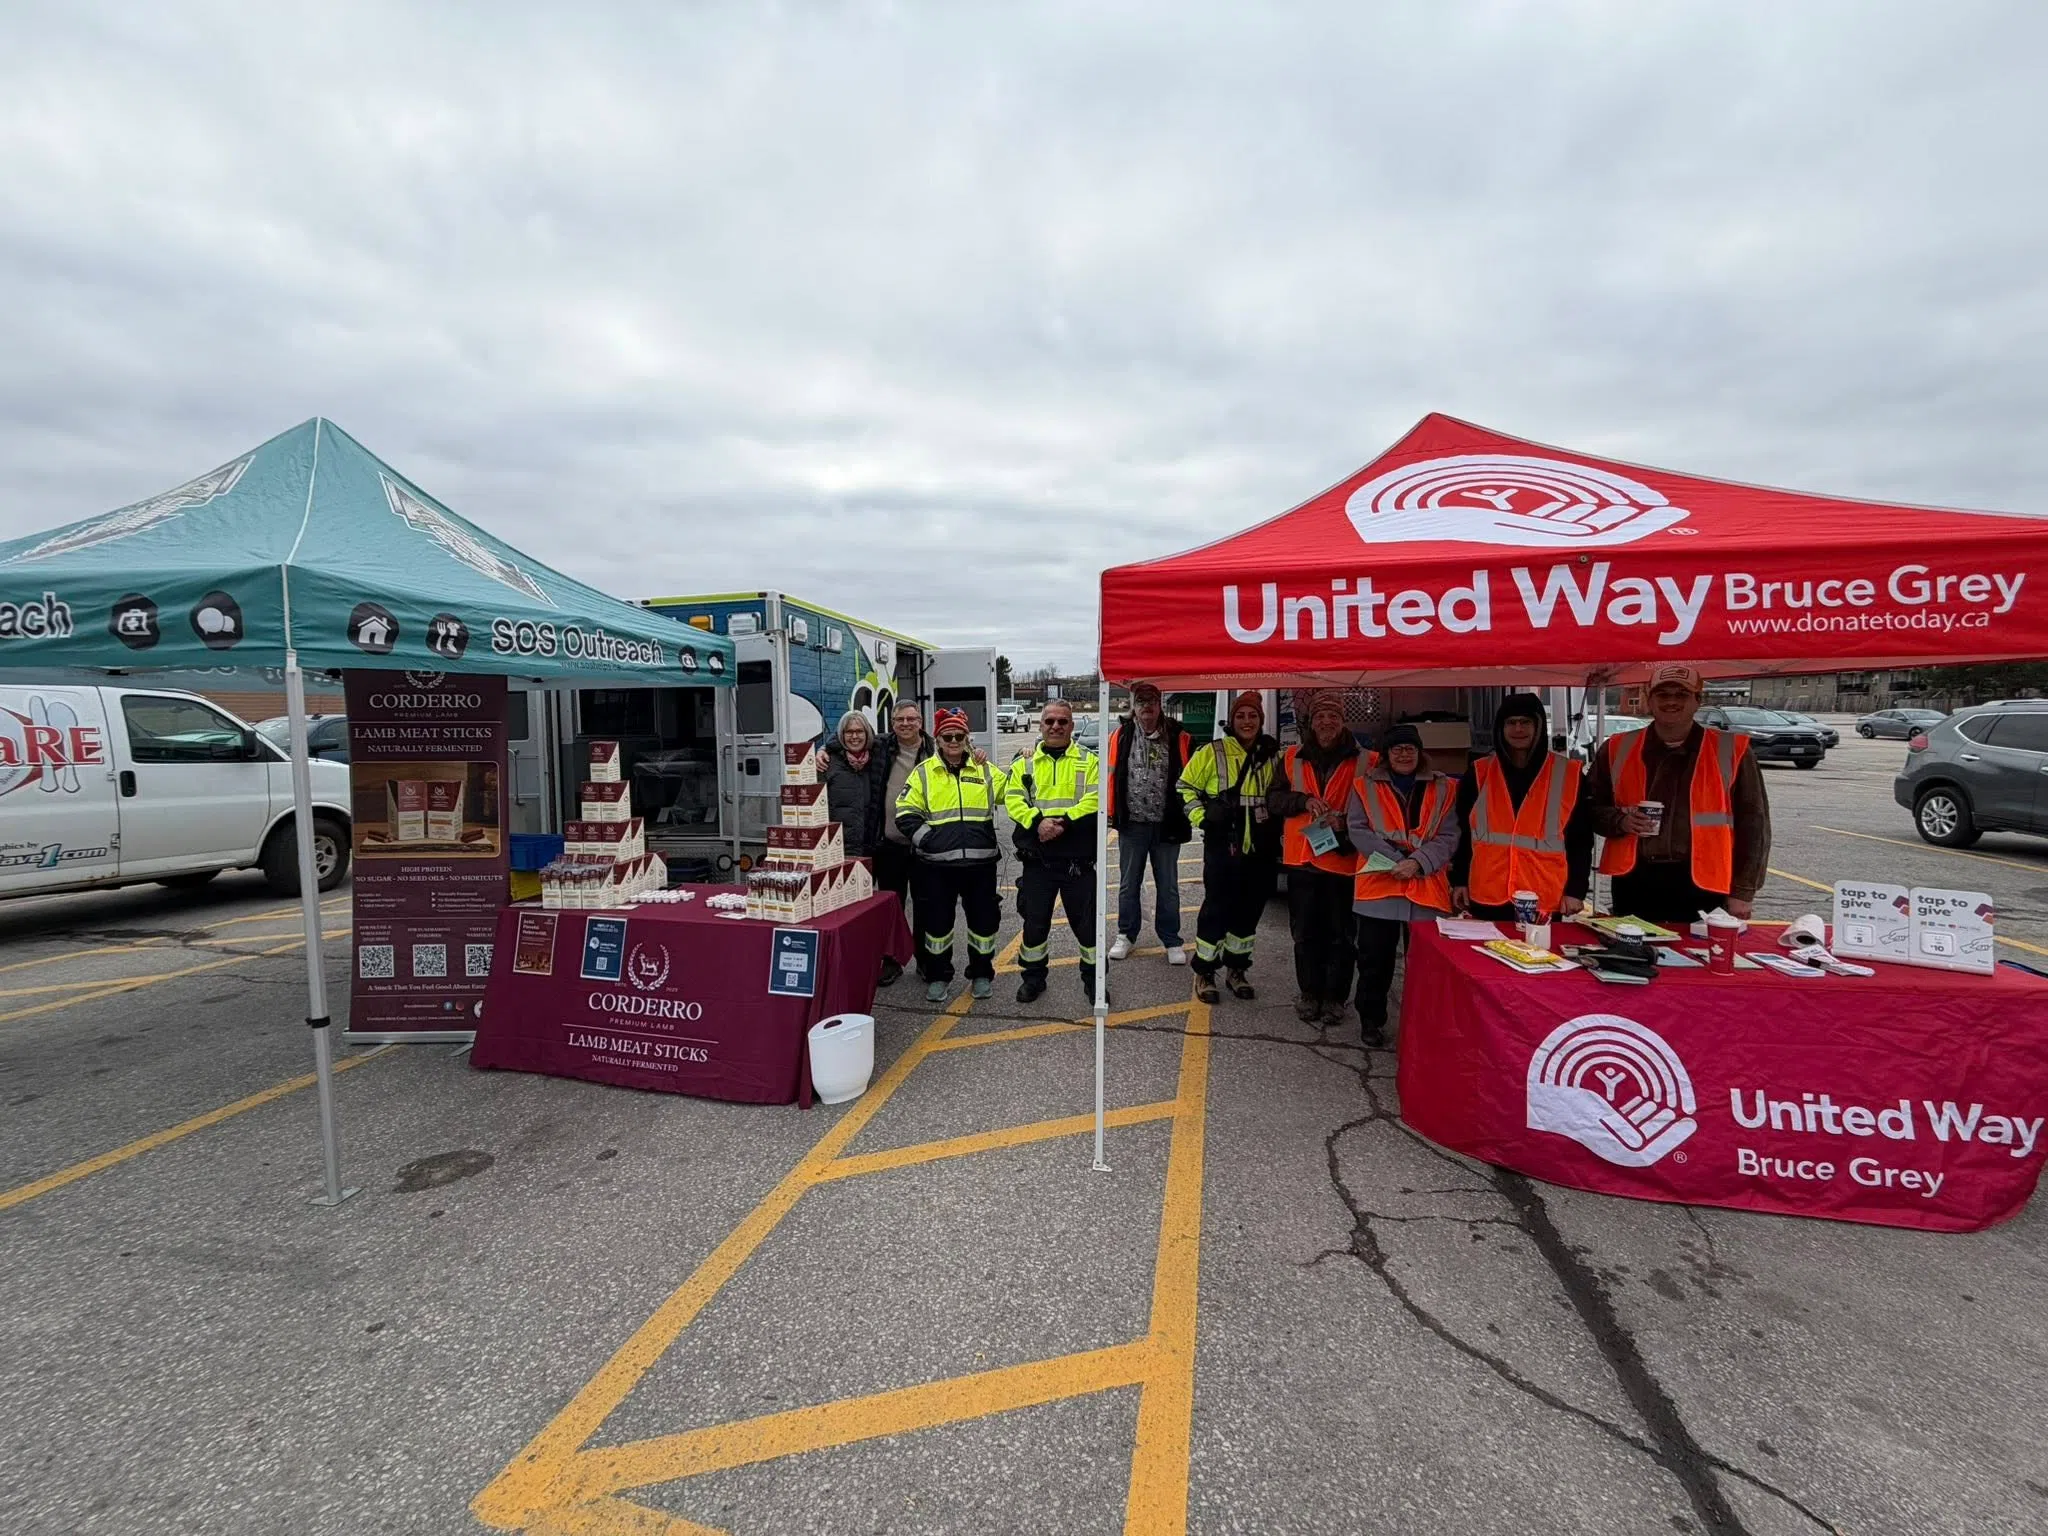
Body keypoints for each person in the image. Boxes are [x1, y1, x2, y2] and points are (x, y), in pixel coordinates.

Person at [1586, 663, 1771, 923]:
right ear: (1649, 699)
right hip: (1635, 880)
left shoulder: (1731, 750)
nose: (1671, 701)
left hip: (1704, 882)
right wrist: (1620, 821)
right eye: (1662, 694)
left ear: (1698, 701)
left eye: (1681, 694)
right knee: (1633, 947)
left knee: (1701, 949)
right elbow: (1588, 808)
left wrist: (1743, 890)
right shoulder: (1617, 747)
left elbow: (1754, 826)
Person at [1345, 724, 1458, 1047]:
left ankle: (1422, 1023)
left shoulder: (1446, 787)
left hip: (1425, 887)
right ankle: (1371, 1020)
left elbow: (1451, 835)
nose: (1404, 754)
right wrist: (1397, 861)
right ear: (1386, 754)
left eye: (1410, 748)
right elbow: (1358, 829)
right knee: (1373, 963)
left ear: (1420, 752)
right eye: (1397, 749)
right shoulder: (1363, 786)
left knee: (1425, 966)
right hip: (1379, 886)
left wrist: (1418, 862)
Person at [1267, 691, 1373, 1024]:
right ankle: (1310, 994)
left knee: (1342, 937)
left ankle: (1335, 999)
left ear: (1343, 721)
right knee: (1304, 935)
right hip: (1303, 861)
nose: (1327, 722)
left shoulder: (1368, 760)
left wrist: (1347, 822)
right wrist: (1303, 801)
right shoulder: (1291, 757)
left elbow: (1380, 808)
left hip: (1343, 861)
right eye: (1320, 717)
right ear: (1311, 723)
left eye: (1333, 716)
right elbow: (1274, 800)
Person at [1450, 693, 1594, 922]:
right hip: (1487, 892)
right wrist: (1459, 880)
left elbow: (1581, 840)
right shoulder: (1479, 773)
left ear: (1538, 725)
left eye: (1525, 722)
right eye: (1511, 722)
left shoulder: (1569, 774)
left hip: (1542, 895)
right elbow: (1463, 832)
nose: (1518, 729)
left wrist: (1576, 890)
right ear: (1501, 727)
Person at [895, 708, 1007, 1002]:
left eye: (959, 736)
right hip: (937, 867)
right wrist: (928, 841)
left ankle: (981, 974)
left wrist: (1026, 759)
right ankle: (938, 976)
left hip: (980, 864)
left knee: (983, 925)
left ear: (967, 738)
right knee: (937, 926)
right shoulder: (923, 773)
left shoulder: (984, 770)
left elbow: (1014, 791)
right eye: (948, 736)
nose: (954, 741)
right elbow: (904, 812)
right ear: (938, 740)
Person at [1178, 691, 1282, 1004]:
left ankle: (1237, 969)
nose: (1247, 722)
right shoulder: (1213, 751)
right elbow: (1184, 788)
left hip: (1261, 842)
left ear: (1261, 720)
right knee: (1217, 907)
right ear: (1232, 720)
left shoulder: (1272, 753)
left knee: (1250, 909)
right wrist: (1202, 818)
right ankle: (1205, 971)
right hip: (1224, 840)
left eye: (1253, 716)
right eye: (1241, 716)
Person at [1004, 700, 1103, 1004]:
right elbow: (1013, 799)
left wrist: (1065, 823)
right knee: (1034, 926)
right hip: (1038, 863)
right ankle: (1033, 979)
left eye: (1063, 721)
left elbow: (1096, 797)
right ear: (1040, 725)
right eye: (1050, 721)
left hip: (1078, 863)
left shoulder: (1090, 761)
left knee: (1088, 928)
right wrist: (1038, 823)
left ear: (1072, 726)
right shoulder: (1024, 764)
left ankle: (1095, 981)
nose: (1056, 726)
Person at [1105, 683, 1192, 966]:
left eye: (1152, 701)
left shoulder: (1179, 736)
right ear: (1133, 705)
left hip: (1167, 824)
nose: (1147, 706)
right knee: (1128, 884)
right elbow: (1106, 773)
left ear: (1160, 703)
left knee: (1168, 886)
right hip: (1132, 825)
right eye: (1141, 701)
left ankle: (1171, 939)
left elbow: (1192, 775)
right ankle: (1126, 934)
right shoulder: (1120, 735)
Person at [817, 710, 900, 983]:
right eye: (849, 732)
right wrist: (821, 750)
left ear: (868, 734)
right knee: (844, 913)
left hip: (874, 848)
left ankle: (883, 961)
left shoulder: (877, 759)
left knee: (873, 911)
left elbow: (908, 736)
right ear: (841, 735)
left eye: (859, 731)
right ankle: (845, 964)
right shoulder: (828, 763)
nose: (854, 736)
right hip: (841, 852)